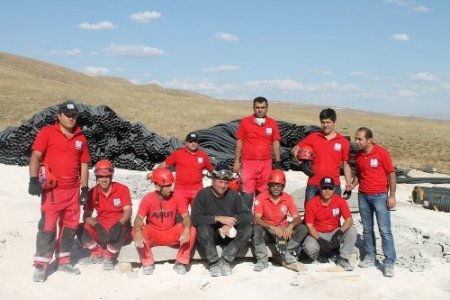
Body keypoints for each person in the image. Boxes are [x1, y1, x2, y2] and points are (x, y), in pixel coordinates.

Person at [28, 100, 90, 282]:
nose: (72, 119)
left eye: (74, 116)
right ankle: (41, 264)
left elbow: (84, 164)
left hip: (73, 191)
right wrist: (32, 179)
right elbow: (36, 155)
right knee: (47, 227)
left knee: (69, 227)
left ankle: (63, 260)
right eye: (68, 115)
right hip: (53, 191)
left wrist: (85, 188)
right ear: (59, 116)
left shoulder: (81, 138)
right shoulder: (47, 132)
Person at [191, 164, 253, 277]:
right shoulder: (203, 195)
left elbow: (248, 215)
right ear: (213, 180)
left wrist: (231, 222)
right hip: (211, 236)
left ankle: (226, 259)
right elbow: (195, 218)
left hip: (229, 235)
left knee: (247, 227)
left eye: (226, 183)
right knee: (202, 227)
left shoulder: (234, 195)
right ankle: (214, 261)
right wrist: (218, 218)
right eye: (220, 182)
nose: (223, 186)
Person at [133, 167, 196, 275]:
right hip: (154, 233)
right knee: (135, 230)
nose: (170, 189)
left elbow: (186, 216)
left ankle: (181, 262)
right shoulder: (148, 199)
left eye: (170, 185)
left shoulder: (177, 196)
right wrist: (138, 232)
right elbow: (139, 219)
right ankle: (147, 262)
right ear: (157, 186)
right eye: (166, 186)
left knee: (192, 229)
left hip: (171, 232)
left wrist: (186, 230)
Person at [353, 127, 397, 277]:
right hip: (363, 196)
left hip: (380, 196)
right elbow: (359, 174)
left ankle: (389, 261)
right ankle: (370, 256)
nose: (356, 142)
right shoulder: (358, 156)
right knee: (367, 228)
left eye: (360, 139)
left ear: (369, 140)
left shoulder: (381, 153)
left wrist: (392, 196)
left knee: (384, 230)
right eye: (355, 139)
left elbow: (391, 174)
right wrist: (352, 185)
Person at [78, 160, 132, 271]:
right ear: (97, 177)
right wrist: (97, 226)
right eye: (101, 177)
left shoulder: (122, 189)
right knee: (80, 229)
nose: (104, 179)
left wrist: (118, 225)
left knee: (121, 230)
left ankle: (109, 257)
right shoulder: (91, 193)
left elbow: (128, 211)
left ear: (111, 176)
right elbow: (86, 215)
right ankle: (97, 253)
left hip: (118, 226)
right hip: (101, 226)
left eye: (107, 176)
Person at [292, 108, 352, 203]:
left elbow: (346, 164)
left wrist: (348, 183)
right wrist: (302, 165)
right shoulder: (314, 137)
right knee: (309, 213)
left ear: (334, 121)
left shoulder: (343, 142)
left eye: (328, 122)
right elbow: (295, 150)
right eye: (323, 122)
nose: (325, 125)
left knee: (333, 215)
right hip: (314, 183)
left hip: (333, 185)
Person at [252, 169, 308, 272]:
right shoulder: (261, 197)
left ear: (283, 186)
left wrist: (290, 226)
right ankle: (262, 260)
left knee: (302, 228)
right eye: (273, 185)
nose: (276, 187)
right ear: (269, 185)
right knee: (256, 229)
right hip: (268, 230)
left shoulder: (288, 198)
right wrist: (272, 227)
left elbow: (297, 218)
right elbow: (256, 219)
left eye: (279, 185)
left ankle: (287, 252)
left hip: (283, 231)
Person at [233, 96, 282, 209]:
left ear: (267, 108)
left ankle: (260, 221)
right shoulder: (245, 122)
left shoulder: (272, 123)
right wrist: (236, 161)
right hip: (249, 163)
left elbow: (275, 143)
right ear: (253, 108)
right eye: (257, 107)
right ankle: (246, 221)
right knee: (247, 194)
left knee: (263, 194)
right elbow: (239, 142)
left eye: (263, 107)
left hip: (266, 164)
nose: (260, 110)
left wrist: (278, 162)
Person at [303, 177, 357, 271]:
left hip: (334, 231)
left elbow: (349, 219)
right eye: (324, 188)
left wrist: (339, 233)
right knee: (309, 248)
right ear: (320, 188)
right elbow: (309, 225)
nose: (327, 191)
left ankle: (343, 258)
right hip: (318, 233)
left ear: (334, 189)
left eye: (330, 188)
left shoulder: (340, 201)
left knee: (352, 229)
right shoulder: (311, 203)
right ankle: (320, 255)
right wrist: (319, 240)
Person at [157, 132, 213, 208]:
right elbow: (164, 164)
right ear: (186, 142)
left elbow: (211, 170)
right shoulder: (178, 154)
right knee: (180, 217)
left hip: (197, 190)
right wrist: (154, 173)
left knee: (197, 215)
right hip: (181, 190)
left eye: (195, 141)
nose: (193, 143)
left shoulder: (203, 155)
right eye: (190, 141)